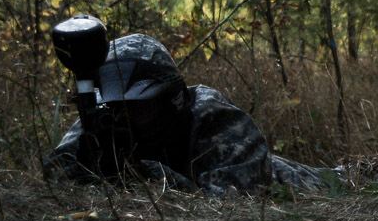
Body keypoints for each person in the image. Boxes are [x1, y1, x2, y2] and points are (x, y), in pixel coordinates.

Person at [43, 24, 330, 196]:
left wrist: (142, 173)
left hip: (302, 182)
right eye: (117, 107)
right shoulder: (104, 119)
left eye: (138, 108)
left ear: (173, 100)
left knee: (359, 176)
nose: (124, 118)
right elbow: (57, 172)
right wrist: (86, 167)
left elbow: (231, 206)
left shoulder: (213, 115)